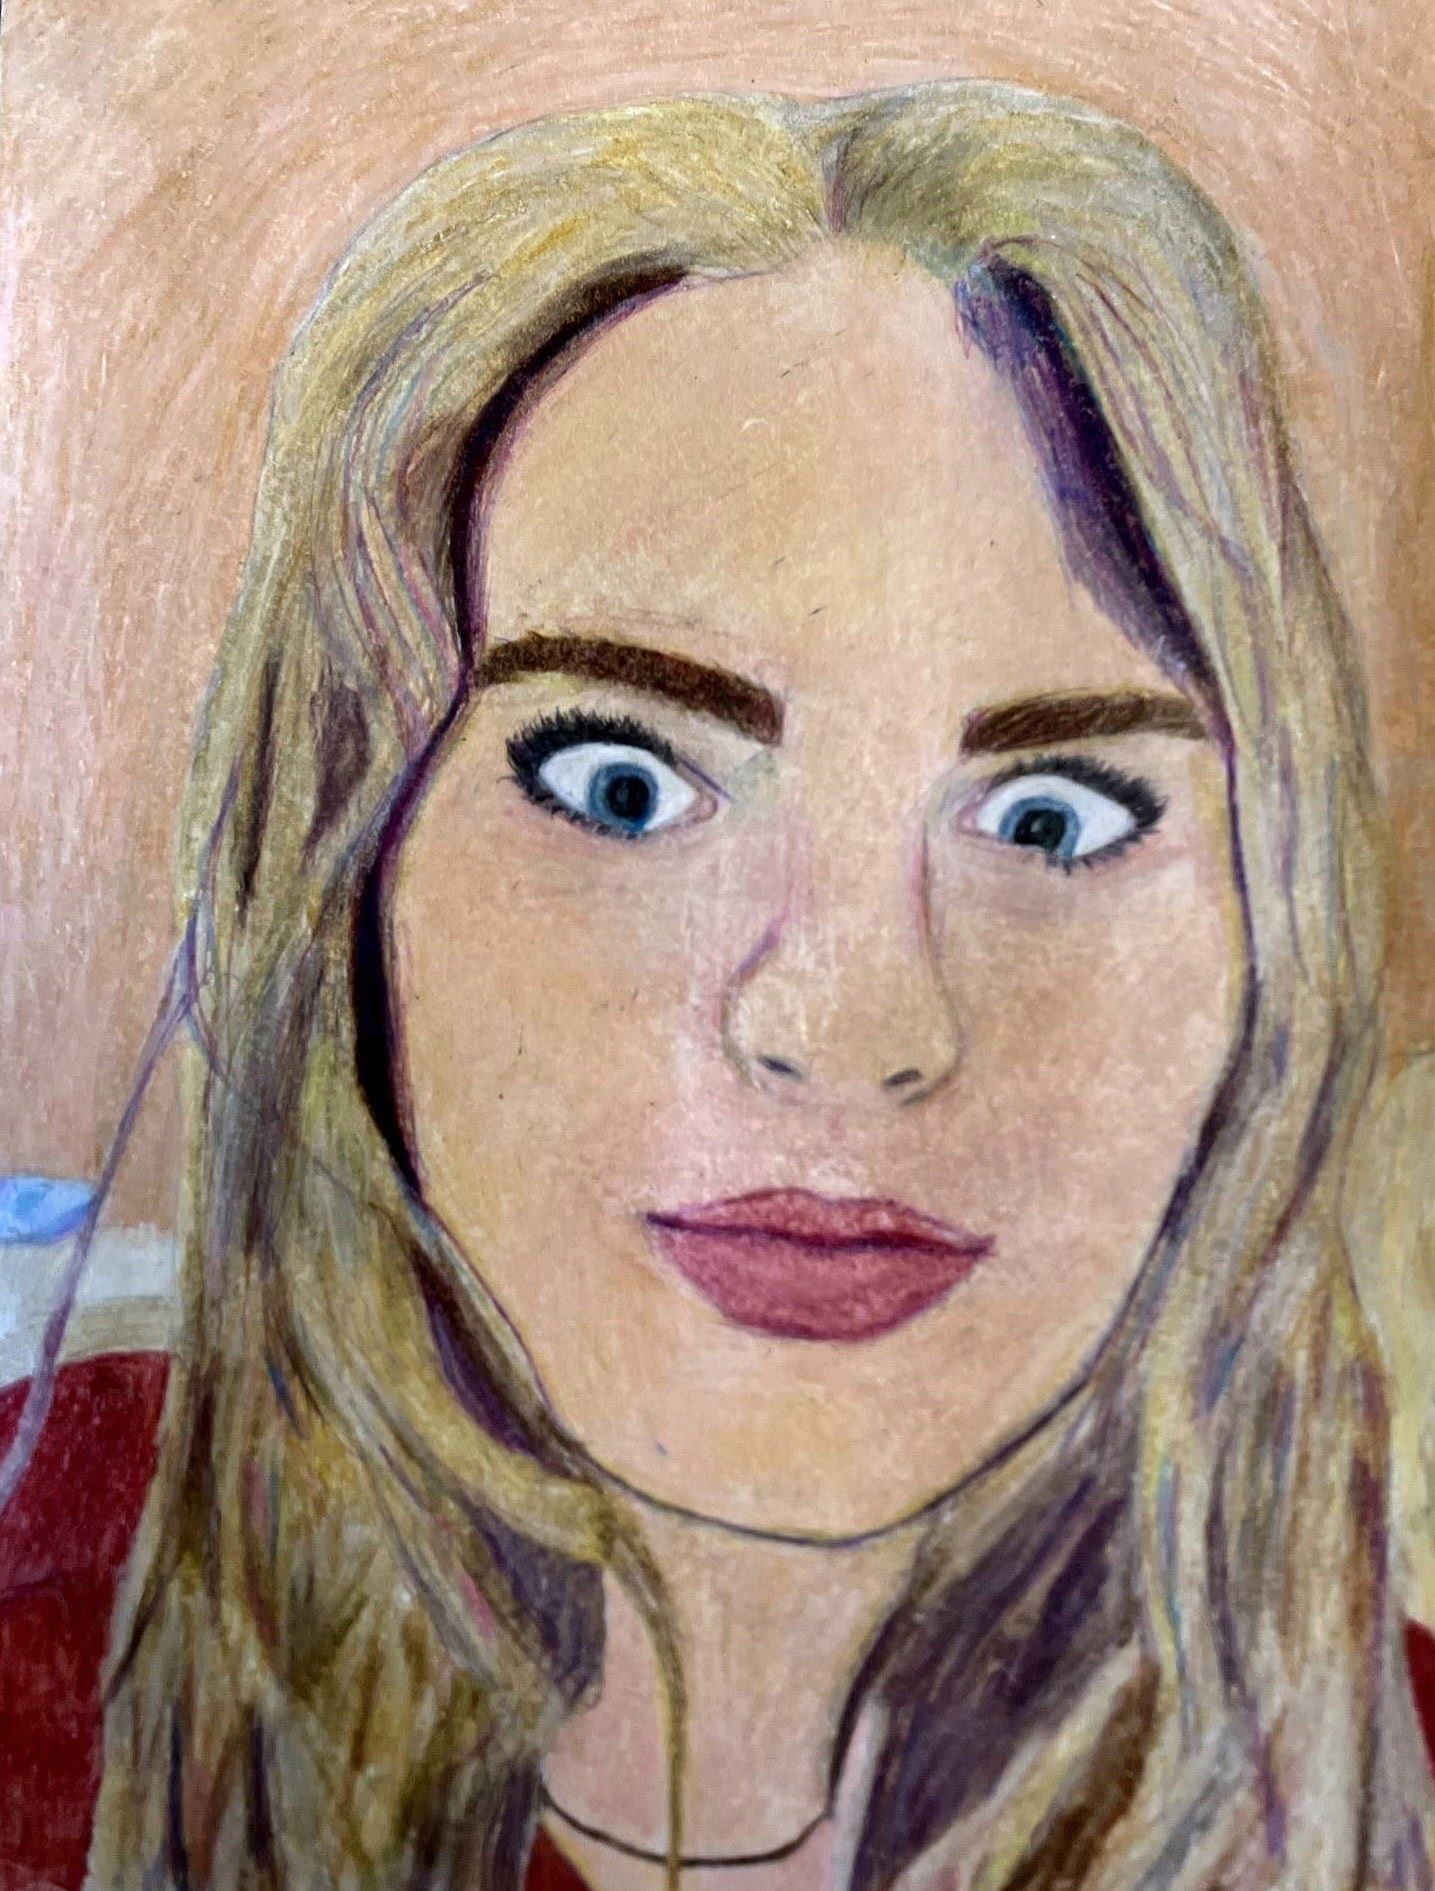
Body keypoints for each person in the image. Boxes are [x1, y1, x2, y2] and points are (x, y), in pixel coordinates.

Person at [1, 78, 1431, 1891]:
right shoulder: (54, 1645)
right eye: (623, 784)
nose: (851, 1027)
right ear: (344, 877)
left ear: (1270, 940)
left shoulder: (1387, 1781)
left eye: (1056, 818)